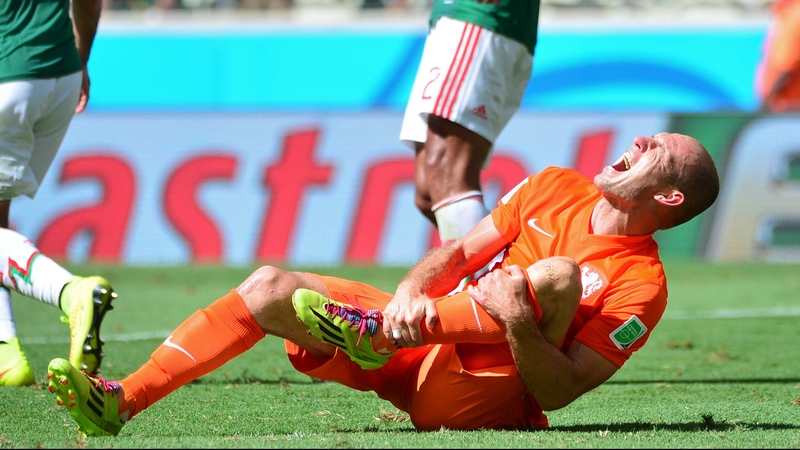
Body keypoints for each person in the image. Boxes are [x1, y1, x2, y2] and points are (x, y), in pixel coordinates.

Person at [46, 132, 719, 434]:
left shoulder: (642, 284)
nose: (641, 142)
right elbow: (457, 253)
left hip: (476, 393)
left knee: (556, 278)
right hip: (406, 340)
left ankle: (384, 333)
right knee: (267, 288)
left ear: (665, 201)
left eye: (658, 152)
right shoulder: (553, 186)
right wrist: (407, 294)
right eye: (649, 137)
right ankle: (120, 402)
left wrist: (516, 316)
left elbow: (562, 389)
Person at [0, 0, 117, 386]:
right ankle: (5, 354)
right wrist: (81, 60)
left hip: (8, 74)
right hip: (62, 74)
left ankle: (72, 293)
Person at [399, 0, 540, 253]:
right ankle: (520, 267)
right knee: (427, 193)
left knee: (446, 171)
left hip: (480, 16)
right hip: (450, 17)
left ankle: (500, 282)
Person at [755, 0, 800, 112]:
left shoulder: (796, 14)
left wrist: (766, 102)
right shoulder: (788, 11)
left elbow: (786, 67)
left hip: (787, 109)